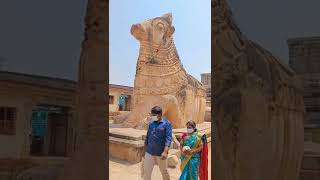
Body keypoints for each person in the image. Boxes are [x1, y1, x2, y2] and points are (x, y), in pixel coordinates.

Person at [143, 106, 172, 180]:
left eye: (154, 115)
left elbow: (168, 138)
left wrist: (165, 151)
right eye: (152, 115)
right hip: (149, 151)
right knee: (146, 171)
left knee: (164, 171)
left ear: (160, 115)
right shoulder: (151, 123)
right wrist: (145, 148)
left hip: (161, 152)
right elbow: (148, 135)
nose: (152, 117)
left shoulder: (167, 123)